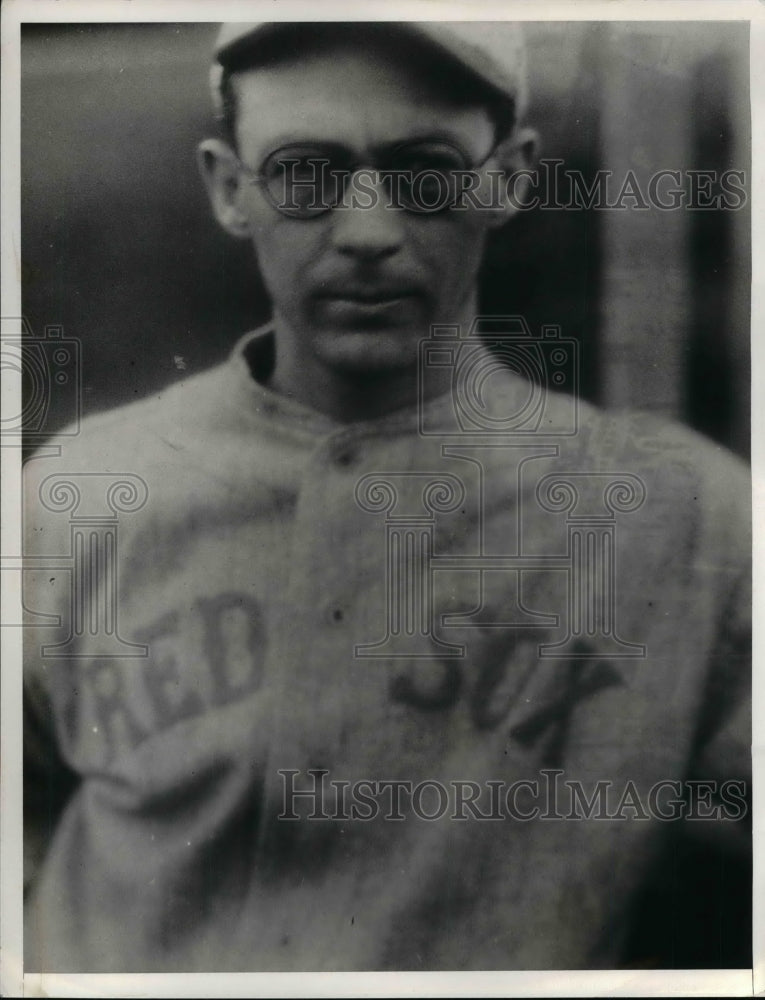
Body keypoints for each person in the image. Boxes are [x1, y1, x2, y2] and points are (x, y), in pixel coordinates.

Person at [23, 21, 751, 973]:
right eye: (304, 171)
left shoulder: (688, 521)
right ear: (229, 188)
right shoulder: (80, 494)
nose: (367, 231)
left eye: (424, 172)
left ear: (509, 177)